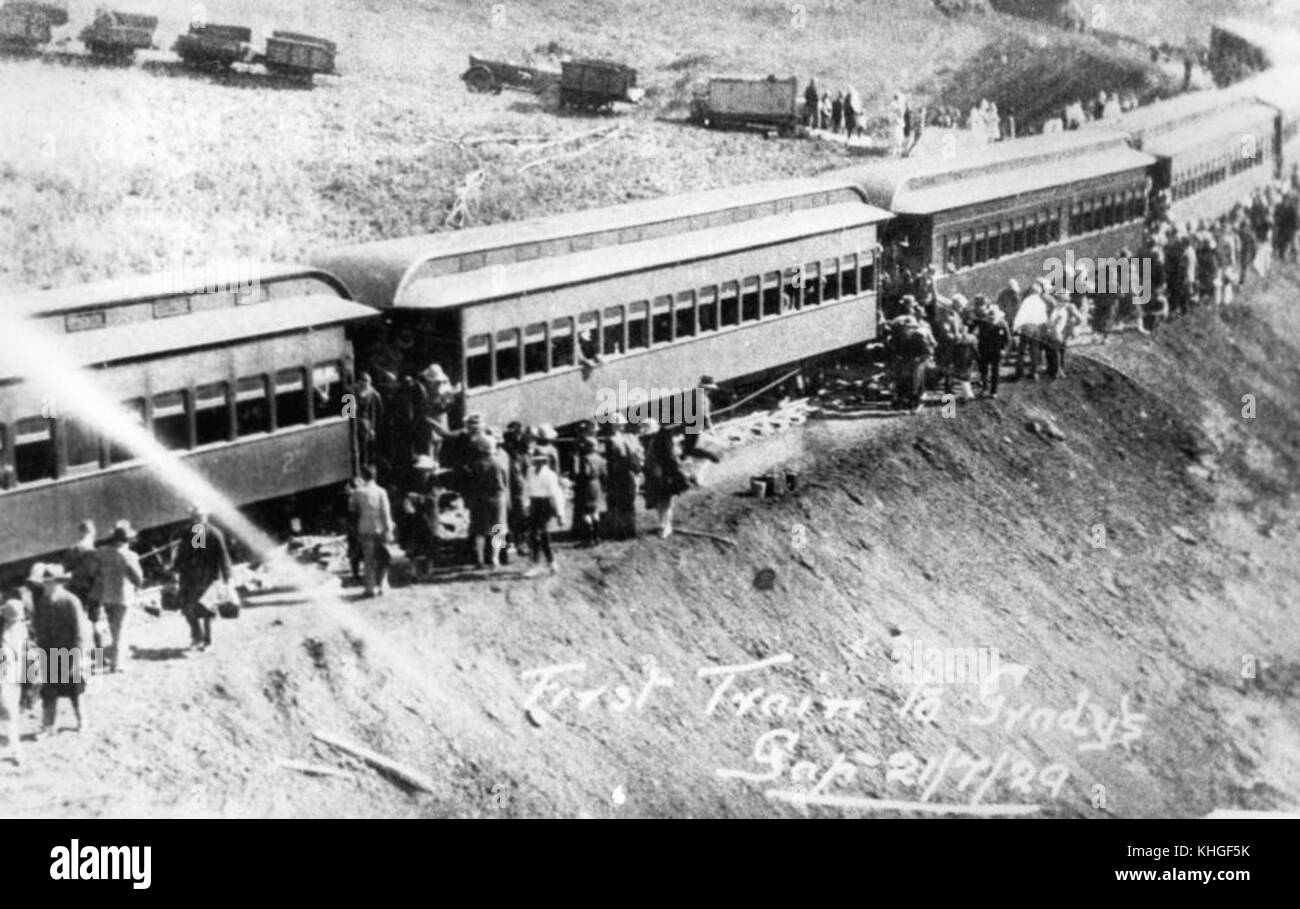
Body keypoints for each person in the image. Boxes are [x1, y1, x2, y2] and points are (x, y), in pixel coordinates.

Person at [30, 564, 92, 736]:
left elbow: (80, 632)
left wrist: (78, 658)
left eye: (51, 582)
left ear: (60, 583)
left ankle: (82, 720)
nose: (47, 586)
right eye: (45, 583)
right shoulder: (42, 602)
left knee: (75, 689)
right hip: (49, 653)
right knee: (48, 691)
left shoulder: (71, 601)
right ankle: (48, 725)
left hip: (69, 651)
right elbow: (38, 628)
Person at [172, 505, 233, 649]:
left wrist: (228, 577)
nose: (198, 520)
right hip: (192, 578)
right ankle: (197, 637)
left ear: (206, 517)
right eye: (195, 517)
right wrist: (175, 570)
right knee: (190, 609)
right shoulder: (190, 532)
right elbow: (183, 553)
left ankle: (206, 640)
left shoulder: (211, 533)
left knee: (205, 610)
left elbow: (223, 556)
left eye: (200, 517)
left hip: (205, 578)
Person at [91, 521, 143, 674]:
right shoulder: (130, 555)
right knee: (121, 629)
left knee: (114, 628)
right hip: (123, 597)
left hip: (107, 596)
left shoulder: (101, 552)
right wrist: (136, 585)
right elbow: (138, 579)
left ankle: (114, 659)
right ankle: (117, 664)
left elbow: (94, 571)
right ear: (127, 540)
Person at [465, 432, 509, 570]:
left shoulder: (475, 465)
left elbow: (471, 484)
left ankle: (480, 559)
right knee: (498, 529)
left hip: (480, 499)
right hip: (498, 498)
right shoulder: (500, 464)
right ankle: (495, 558)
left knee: (480, 530)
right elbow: (505, 483)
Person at [349, 467, 395, 596]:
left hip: (364, 529)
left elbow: (352, 510)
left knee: (368, 559)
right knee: (384, 557)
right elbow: (386, 512)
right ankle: (383, 585)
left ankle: (370, 588)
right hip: (380, 529)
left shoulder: (357, 492)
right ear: (375, 476)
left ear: (363, 477)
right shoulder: (381, 491)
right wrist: (389, 530)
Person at [641, 421, 690, 539]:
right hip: (657, 475)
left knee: (663, 502)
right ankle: (663, 525)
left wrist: (674, 472)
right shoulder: (654, 440)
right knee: (662, 502)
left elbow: (669, 458)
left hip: (661, 474)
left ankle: (665, 526)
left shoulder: (659, 439)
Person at [524, 448, 566, 576]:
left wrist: (560, 514)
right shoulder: (530, 472)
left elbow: (557, 494)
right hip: (534, 503)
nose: (538, 463)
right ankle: (549, 562)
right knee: (536, 535)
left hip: (545, 504)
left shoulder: (550, 475)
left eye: (541, 461)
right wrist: (526, 505)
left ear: (545, 461)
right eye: (535, 461)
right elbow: (527, 489)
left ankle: (539, 564)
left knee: (539, 534)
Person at [601, 414, 642, 540]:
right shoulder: (612, 440)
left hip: (622, 474)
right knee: (622, 503)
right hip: (620, 474)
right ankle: (623, 530)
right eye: (619, 425)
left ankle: (626, 530)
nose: (621, 427)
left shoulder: (622, 439)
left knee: (624, 502)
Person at [65, 519, 101, 650]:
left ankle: (79, 655)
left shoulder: (73, 549)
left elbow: (66, 568)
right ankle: (99, 657)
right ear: (93, 532)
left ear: (80, 532)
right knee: (96, 624)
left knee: (78, 623)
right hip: (93, 589)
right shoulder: (95, 551)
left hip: (77, 588)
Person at [0, 595, 28, 765]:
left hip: (7, 674)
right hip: (13, 675)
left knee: (9, 715)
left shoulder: (9, 632)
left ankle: (16, 750)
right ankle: (16, 751)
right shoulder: (21, 629)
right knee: (11, 715)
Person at [971, 296, 1009, 399]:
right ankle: (985, 387)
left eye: (993, 316)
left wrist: (1004, 349)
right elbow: (975, 332)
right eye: (990, 316)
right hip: (984, 349)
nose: (991, 318)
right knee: (983, 370)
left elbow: (1007, 338)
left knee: (995, 371)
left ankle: (993, 391)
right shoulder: (982, 322)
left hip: (997, 351)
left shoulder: (1002, 324)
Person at [573, 437, 607, 547]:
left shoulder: (585, 459)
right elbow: (604, 474)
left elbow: (585, 473)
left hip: (587, 485)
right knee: (595, 510)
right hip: (597, 484)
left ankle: (589, 538)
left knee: (585, 512)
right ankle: (597, 537)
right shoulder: (601, 459)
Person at [1012, 281, 1049, 380]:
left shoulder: (1027, 301)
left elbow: (1021, 315)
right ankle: (1034, 372)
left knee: (1022, 351)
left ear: (1031, 291)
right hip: (1036, 328)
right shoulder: (1041, 302)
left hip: (1026, 327)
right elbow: (1044, 318)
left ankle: (1019, 372)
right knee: (1034, 350)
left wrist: (1016, 327)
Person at [352, 371, 384, 474]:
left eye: (368, 381)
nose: (366, 384)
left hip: (365, 425)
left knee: (365, 446)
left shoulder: (372, 393)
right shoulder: (350, 393)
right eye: (364, 381)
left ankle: (364, 465)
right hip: (353, 423)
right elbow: (346, 413)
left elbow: (374, 412)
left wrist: (372, 428)